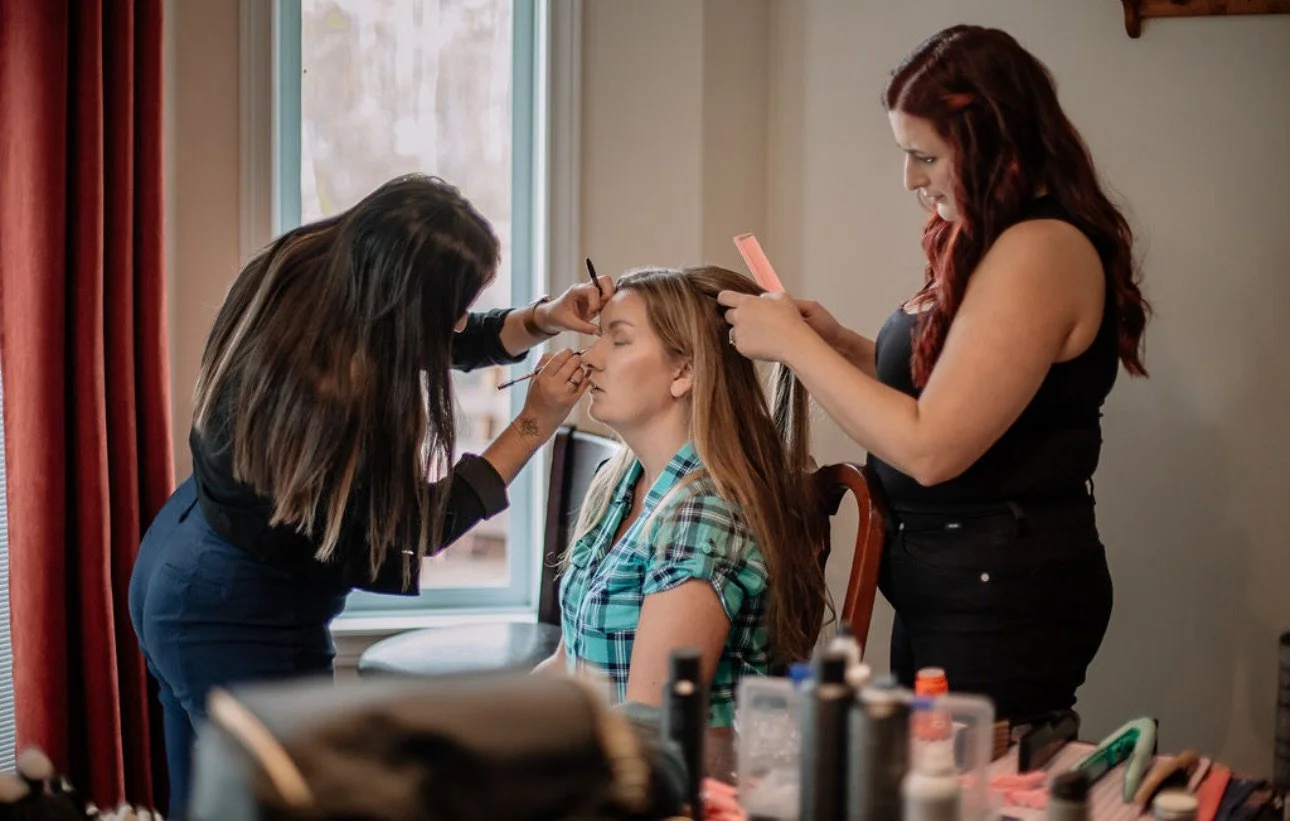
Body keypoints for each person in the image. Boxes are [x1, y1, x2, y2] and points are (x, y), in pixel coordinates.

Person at [128, 174, 607, 816]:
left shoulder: (315, 270)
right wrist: (533, 424)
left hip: (184, 556)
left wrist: (544, 318)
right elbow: (417, 524)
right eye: (454, 308)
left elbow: (426, 330)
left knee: (212, 803)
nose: (461, 322)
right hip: (231, 610)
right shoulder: (321, 394)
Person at [718, 25, 1151, 724]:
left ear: (992, 143)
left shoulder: (1041, 250)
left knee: (976, 790)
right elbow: (950, 390)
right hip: (950, 581)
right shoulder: (1001, 239)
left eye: (925, 156)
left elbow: (931, 447)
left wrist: (800, 349)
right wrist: (842, 344)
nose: (910, 179)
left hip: (1001, 598)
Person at [536, 266, 829, 731]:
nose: (589, 358)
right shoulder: (619, 482)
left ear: (685, 371)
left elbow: (650, 731)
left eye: (619, 340)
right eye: (598, 337)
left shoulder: (700, 516)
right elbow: (565, 664)